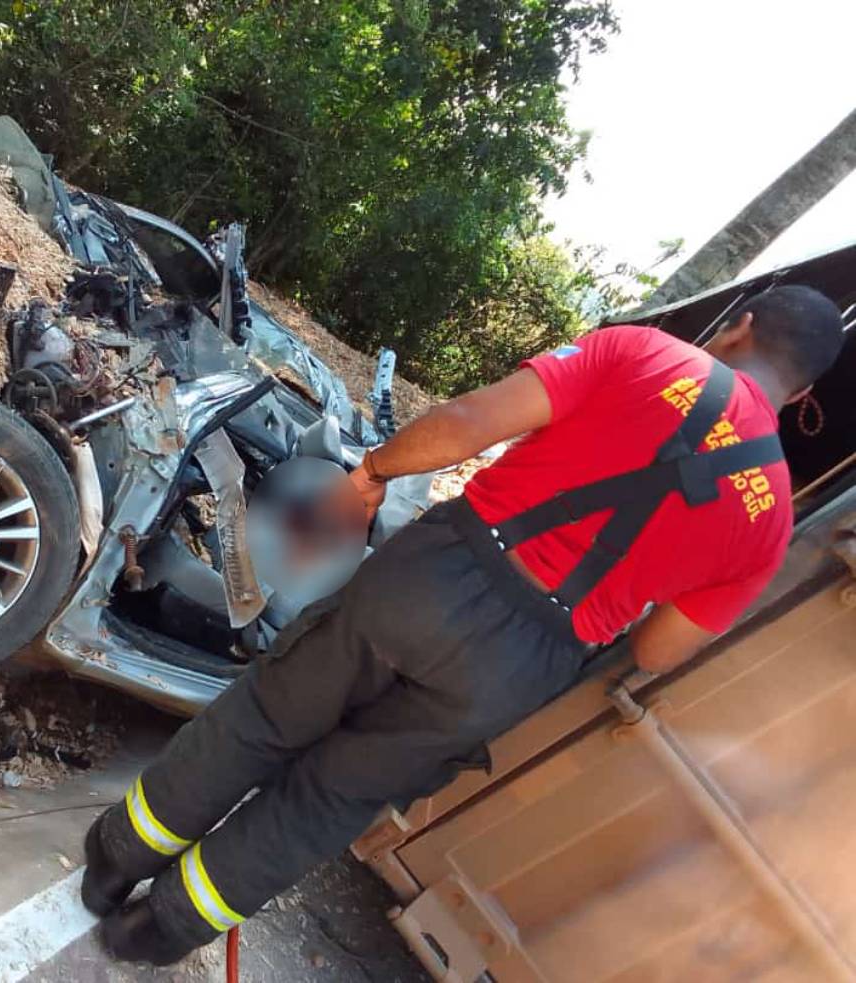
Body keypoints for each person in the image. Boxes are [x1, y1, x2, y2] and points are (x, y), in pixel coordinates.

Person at [81, 284, 845, 965]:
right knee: (328, 800)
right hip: (523, 663)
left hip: (441, 570)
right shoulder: (769, 519)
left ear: (741, 327)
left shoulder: (643, 353)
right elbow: (658, 646)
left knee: (265, 717)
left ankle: (115, 861)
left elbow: (471, 422)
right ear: (800, 393)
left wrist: (373, 473)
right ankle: (153, 932)